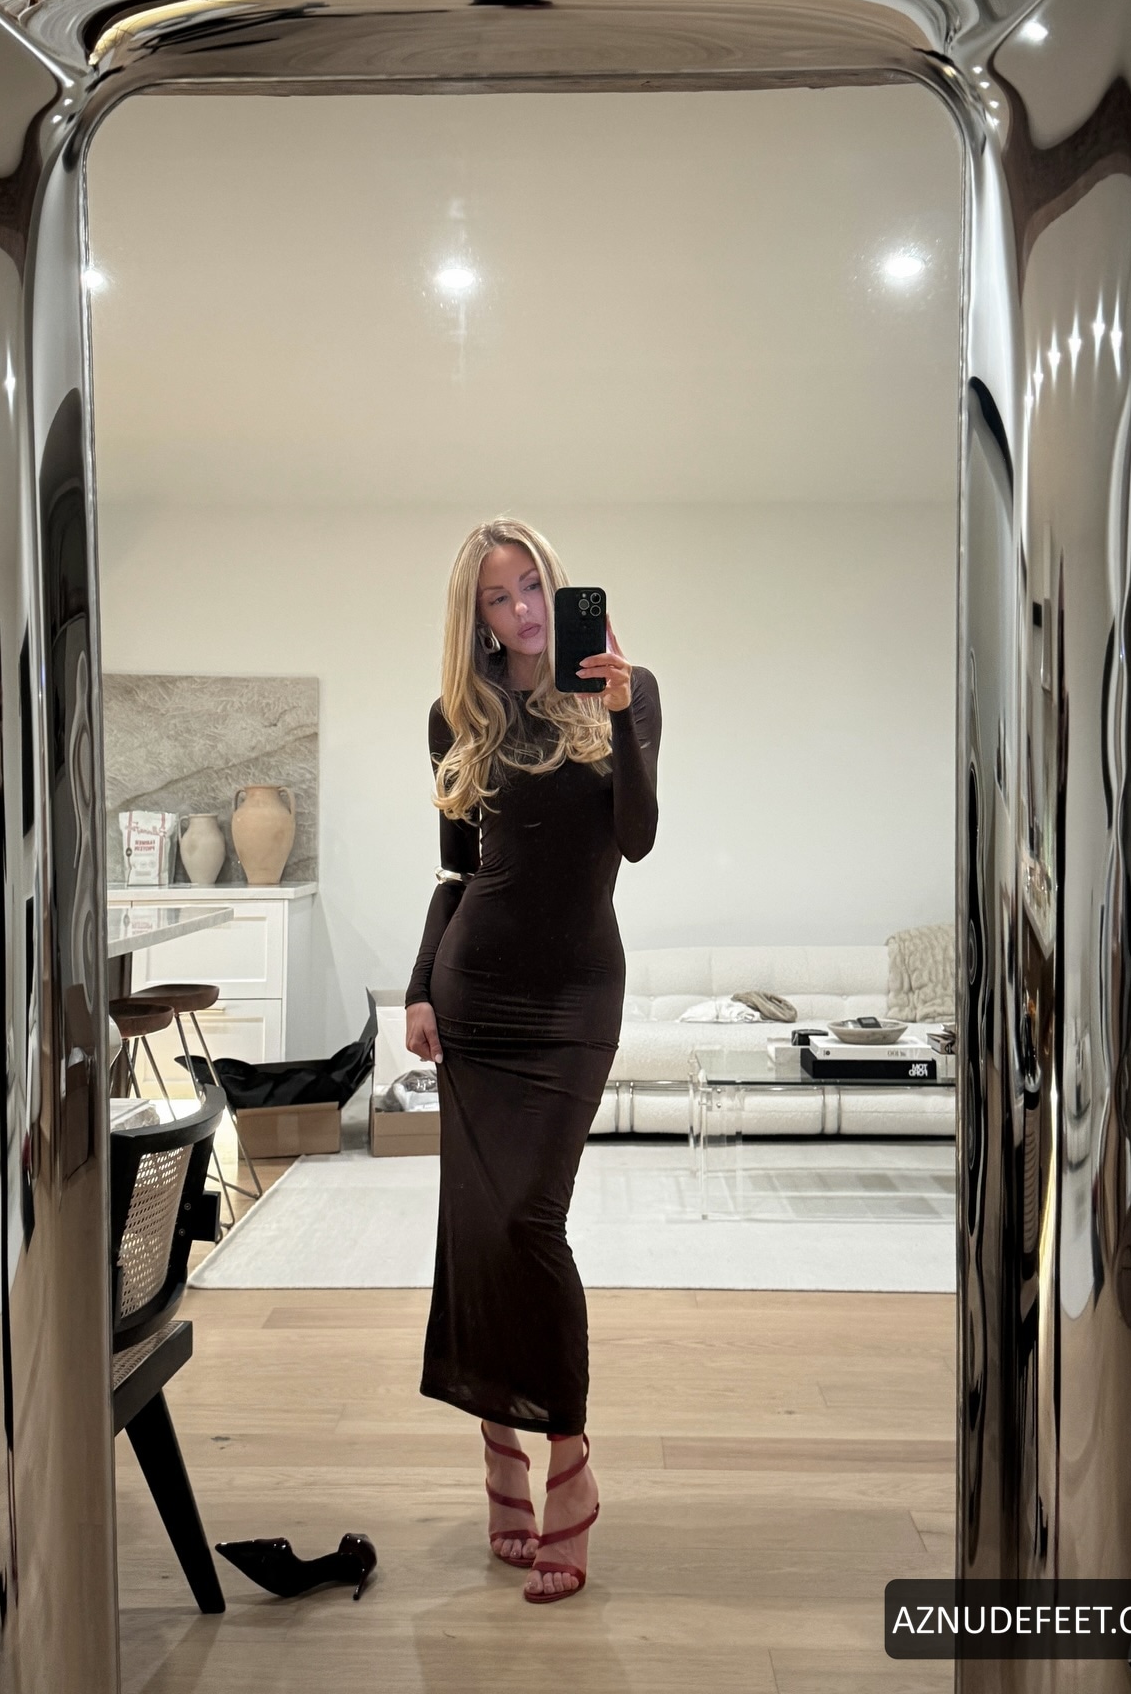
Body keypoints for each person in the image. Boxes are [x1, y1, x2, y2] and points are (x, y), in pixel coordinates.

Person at [405, 517, 661, 1606]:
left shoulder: (626, 692)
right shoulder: (456, 716)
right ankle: (499, 1442)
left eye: (532, 587)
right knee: (477, 1225)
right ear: (476, 617)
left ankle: (569, 1457)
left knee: (527, 1222)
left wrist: (624, 714)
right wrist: (419, 985)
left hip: (574, 997)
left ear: (558, 591)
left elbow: (637, 837)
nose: (521, 610)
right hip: (477, 992)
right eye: (498, 597)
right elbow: (456, 872)